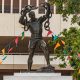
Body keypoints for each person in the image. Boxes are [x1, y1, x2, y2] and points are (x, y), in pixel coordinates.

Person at [19, 2, 51, 71]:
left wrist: (48, 7)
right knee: (31, 54)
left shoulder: (39, 20)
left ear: (34, 15)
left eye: (33, 15)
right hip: (33, 39)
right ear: (30, 16)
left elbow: (47, 15)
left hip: (40, 38)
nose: (32, 16)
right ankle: (29, 69)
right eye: (31, 15)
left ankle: (48, 64)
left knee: (45, 48)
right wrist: (24, 13)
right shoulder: (29, 23)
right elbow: (20, 21)